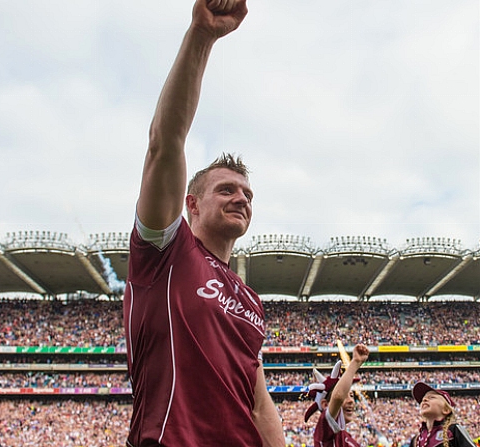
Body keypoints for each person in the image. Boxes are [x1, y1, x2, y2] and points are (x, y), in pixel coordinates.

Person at [122, 1, 284, 446]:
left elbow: (258, 402)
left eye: (248, 194)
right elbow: (164, 143)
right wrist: (203, 36)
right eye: (227, 190)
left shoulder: (250, 300)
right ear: (190, 203)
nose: (241, 198)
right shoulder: (164, 253)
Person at [304, 344, 370, 447]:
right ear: (325, 404)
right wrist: (355, 362)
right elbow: (338, 396)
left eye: (351, 395)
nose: (351, 401)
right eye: (345, 396)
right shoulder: (324, 429)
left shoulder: (347, 438)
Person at [411, 382, 477, 447]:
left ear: (446, 410)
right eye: (423, 399)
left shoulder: (453, 430)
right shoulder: (416, 439)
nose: (424, 399)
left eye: (432, 397)